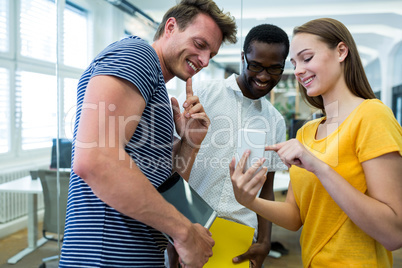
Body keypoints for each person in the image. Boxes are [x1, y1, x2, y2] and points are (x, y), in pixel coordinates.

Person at [58, 0, 237, 267]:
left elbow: (165, 186)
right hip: (106, 257)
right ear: (171, 27)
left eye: (211, 54)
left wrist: (189, 143)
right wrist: (185, 233)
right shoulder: (137, 54)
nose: (204, 61)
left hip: (139, 254)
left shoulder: (156, 89)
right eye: (200, 45)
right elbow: (95, 160)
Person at [230, 17, 402, 267]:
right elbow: (295, 216)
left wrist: (318, 166)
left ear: (341, 51)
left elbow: (393, 233)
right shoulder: (307, 132)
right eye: (294, 63)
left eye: (307, 58)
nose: (298, 70)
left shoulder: (372, 116)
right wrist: (249, 201)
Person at [173, 24, 289, 267]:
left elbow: (266, 188)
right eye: (255, 65)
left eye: (274, 68)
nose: (264, 76)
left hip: (241, 236)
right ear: (242, 58)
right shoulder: (203, 95)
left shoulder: (275, 121)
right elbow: (175, 167)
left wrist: (266, 241)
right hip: (194, 229)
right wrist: (172, 233)